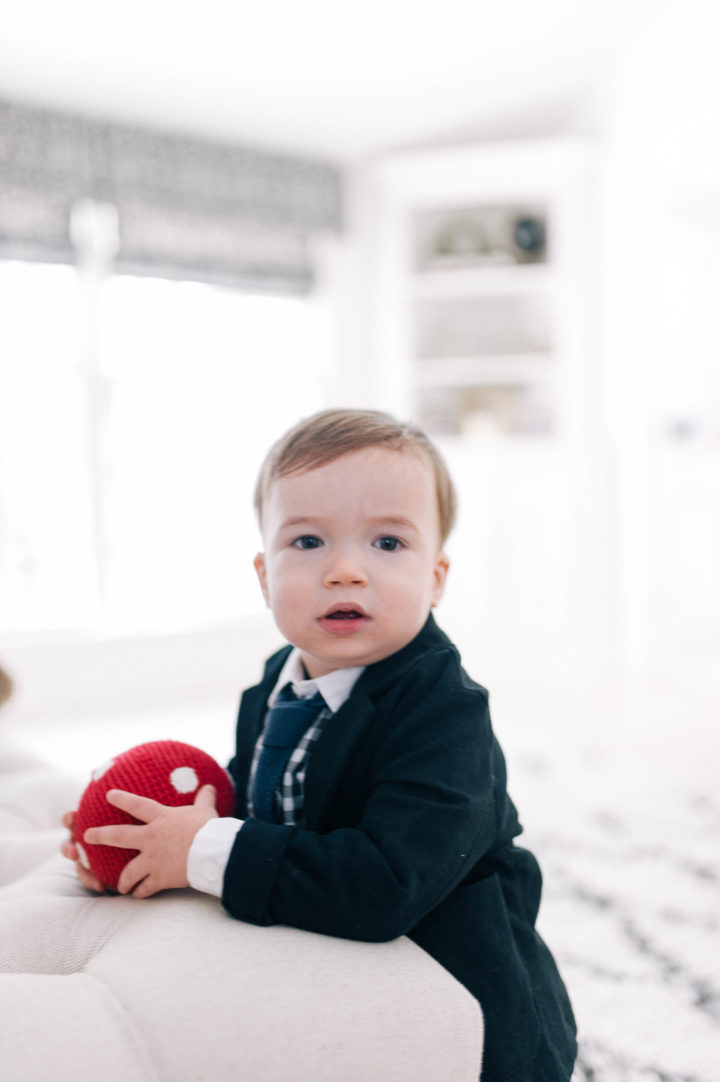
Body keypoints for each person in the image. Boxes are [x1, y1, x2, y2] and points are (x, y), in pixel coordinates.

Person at [62, 408, 576, 1081]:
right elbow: (249, 797)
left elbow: (386, 884)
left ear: (437, 579)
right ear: (263, 573)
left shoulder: (447, 715)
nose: (344, 570)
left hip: (460, 1011)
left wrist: (206, 850)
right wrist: (137, 838)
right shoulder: (277, 682)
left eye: (387, 544)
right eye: (307, 542)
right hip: (337, 981)